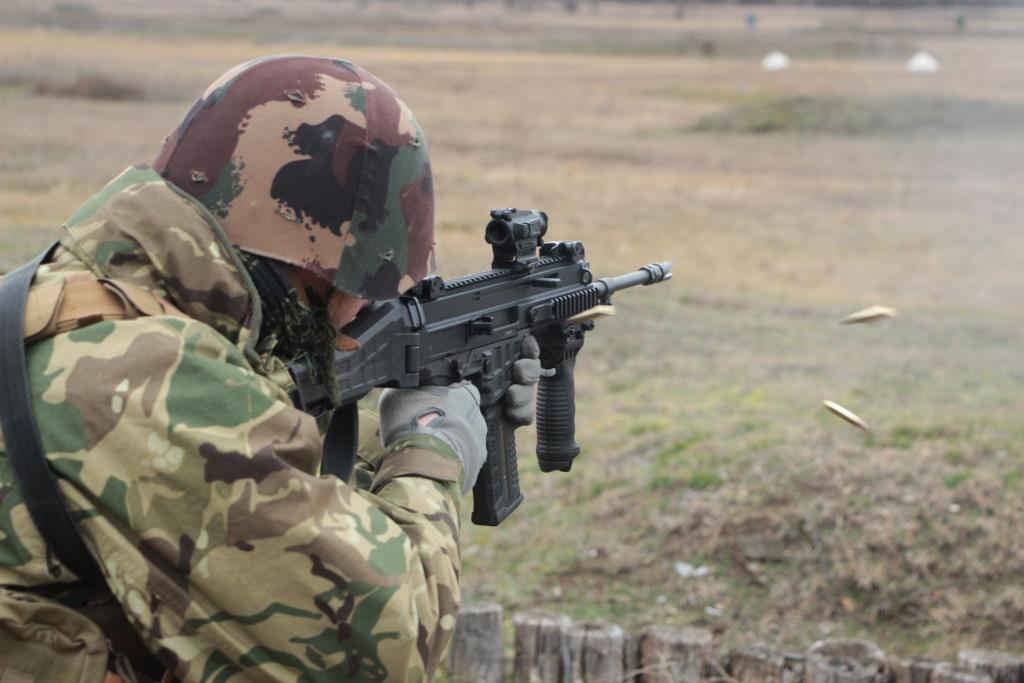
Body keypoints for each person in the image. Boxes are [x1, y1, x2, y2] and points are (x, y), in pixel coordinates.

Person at [0, 55, 541, 682]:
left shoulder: (76, 299)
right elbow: (383, 648)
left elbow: (235, 450)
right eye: (368, 289)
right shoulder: (146, 378)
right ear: (319, 262)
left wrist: (379, 441)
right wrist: (433, 448)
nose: (365, 314)